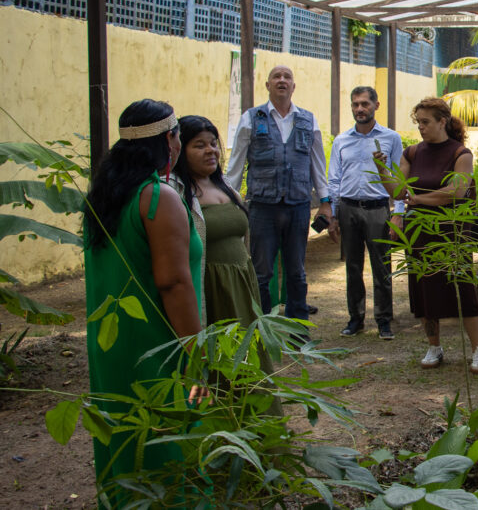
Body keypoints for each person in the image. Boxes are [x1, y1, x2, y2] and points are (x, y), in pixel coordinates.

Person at [83, 100, 203, 495]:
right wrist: (195, 354)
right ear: (170, 141)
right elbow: (173, 283)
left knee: (121, 433)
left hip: (111, 340)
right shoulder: (157, 197)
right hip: (156, 340)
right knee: (163, 436)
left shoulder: (104, 198)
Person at [376, 98, 478, 373]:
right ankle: (434, 346)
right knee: (425, 287)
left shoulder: (460, 154)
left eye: (425, 122)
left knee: (463, 288)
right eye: (418, 123)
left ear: (442, 122)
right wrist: (381, 169)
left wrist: (419, 199)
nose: (421, 128)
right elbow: (397, 191)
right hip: (420, 231)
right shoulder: (412, 153)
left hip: (452, 230)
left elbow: (457, 191)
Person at [173, 115, 279, 398]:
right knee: (221, 363)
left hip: (242, 288)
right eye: (199, 145)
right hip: (212, 290)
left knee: (249, 360)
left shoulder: (225, 188)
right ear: (180, 150)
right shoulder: (178, 193)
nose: (211, 151)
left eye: (213, 144)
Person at [226, 65, 331, 320]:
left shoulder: (308, 119)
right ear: (268, 85)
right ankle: (262, 327)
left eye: (287, 77)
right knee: (262, 272)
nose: (282, 80)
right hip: (263, 206)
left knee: (297, 271)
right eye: (276, 76)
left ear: (293, 86)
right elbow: (236, 163)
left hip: (298, 206)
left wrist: (326, 202)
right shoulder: (252, 118)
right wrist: (227, 199)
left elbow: (317, 163)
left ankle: (297, 327)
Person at [328, 86, 403, 340]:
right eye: (355, 104)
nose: (360, 109)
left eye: (364, 104)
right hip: (348, 208)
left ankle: (383, 320)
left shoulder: (391, 138)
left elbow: (399, 179)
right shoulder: (341, 140)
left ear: (376, 106)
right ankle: (355, 319)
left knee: (382, 267)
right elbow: (334, 179)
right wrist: (334, 215)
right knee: (353, 266)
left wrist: (398, 213)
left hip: (377, 208)